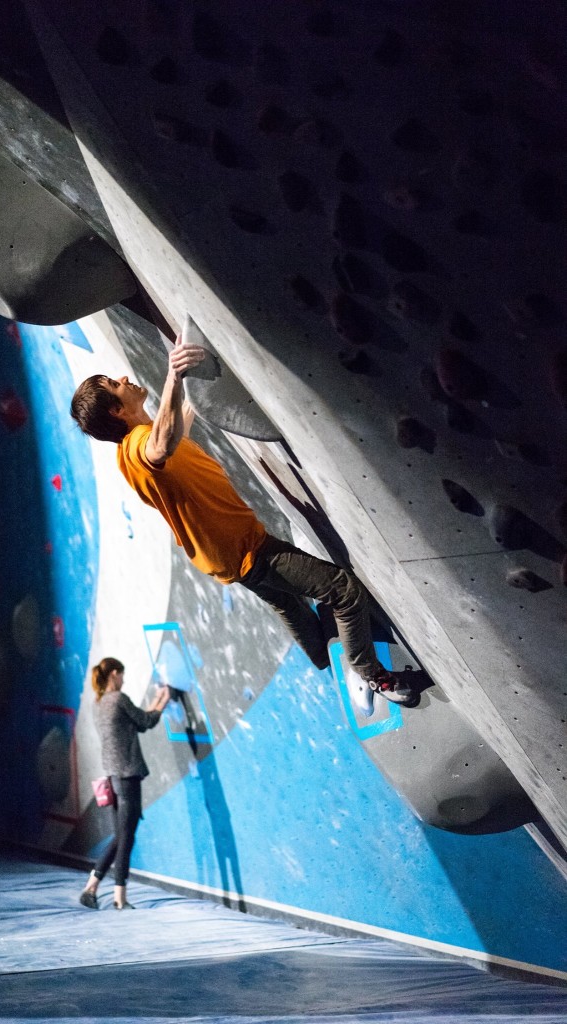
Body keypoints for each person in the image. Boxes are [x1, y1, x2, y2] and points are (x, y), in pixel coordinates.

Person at [70, 340, 416, 706]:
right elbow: (162, 446)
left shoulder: (129, 454)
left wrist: (195, 392)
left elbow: (174, 438)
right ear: (117, 409)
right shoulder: (142, 444)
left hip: (225, 559)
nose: (123, 378)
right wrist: (173, 374)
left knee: (287, 604)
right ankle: (371, 675)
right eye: (114, 383)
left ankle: (323, 658)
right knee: (344, 592)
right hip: (250, 552)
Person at [79, 657, 170, 910]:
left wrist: (156, 703)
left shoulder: (101, 704)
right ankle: (117, 898)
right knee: (125, 837)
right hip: (128, 775)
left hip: (113, 777)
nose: (124, 680)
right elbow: (147, 722)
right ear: (114, 675)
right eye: (122, 675)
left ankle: (93, 887)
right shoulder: (119, 699)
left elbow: (138, 722)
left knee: (121, 836)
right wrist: (165, 699)